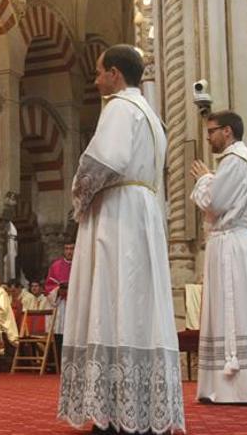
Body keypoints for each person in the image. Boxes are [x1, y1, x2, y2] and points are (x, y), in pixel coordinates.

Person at [58, 45, 185, 434]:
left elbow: (103, 161)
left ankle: (113, 413)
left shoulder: (118, 107)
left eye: (99, 73)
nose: (96, 80)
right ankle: (141, 409)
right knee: (138, 304)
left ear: (114, 73)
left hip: (117, 213)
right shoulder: (151, 116)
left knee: (112, 297)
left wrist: (78, 194)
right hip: (143, 210)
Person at [190, 110, 247, 404]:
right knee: (242, 310)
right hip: (240, 242)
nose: (208, 137)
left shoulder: (233, 160)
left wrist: (204, 179)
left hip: (230, 245)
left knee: (232, 310)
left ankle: (234, 386)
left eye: (211, 131)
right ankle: (243, 386)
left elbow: (214, 202)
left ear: (227, 131)